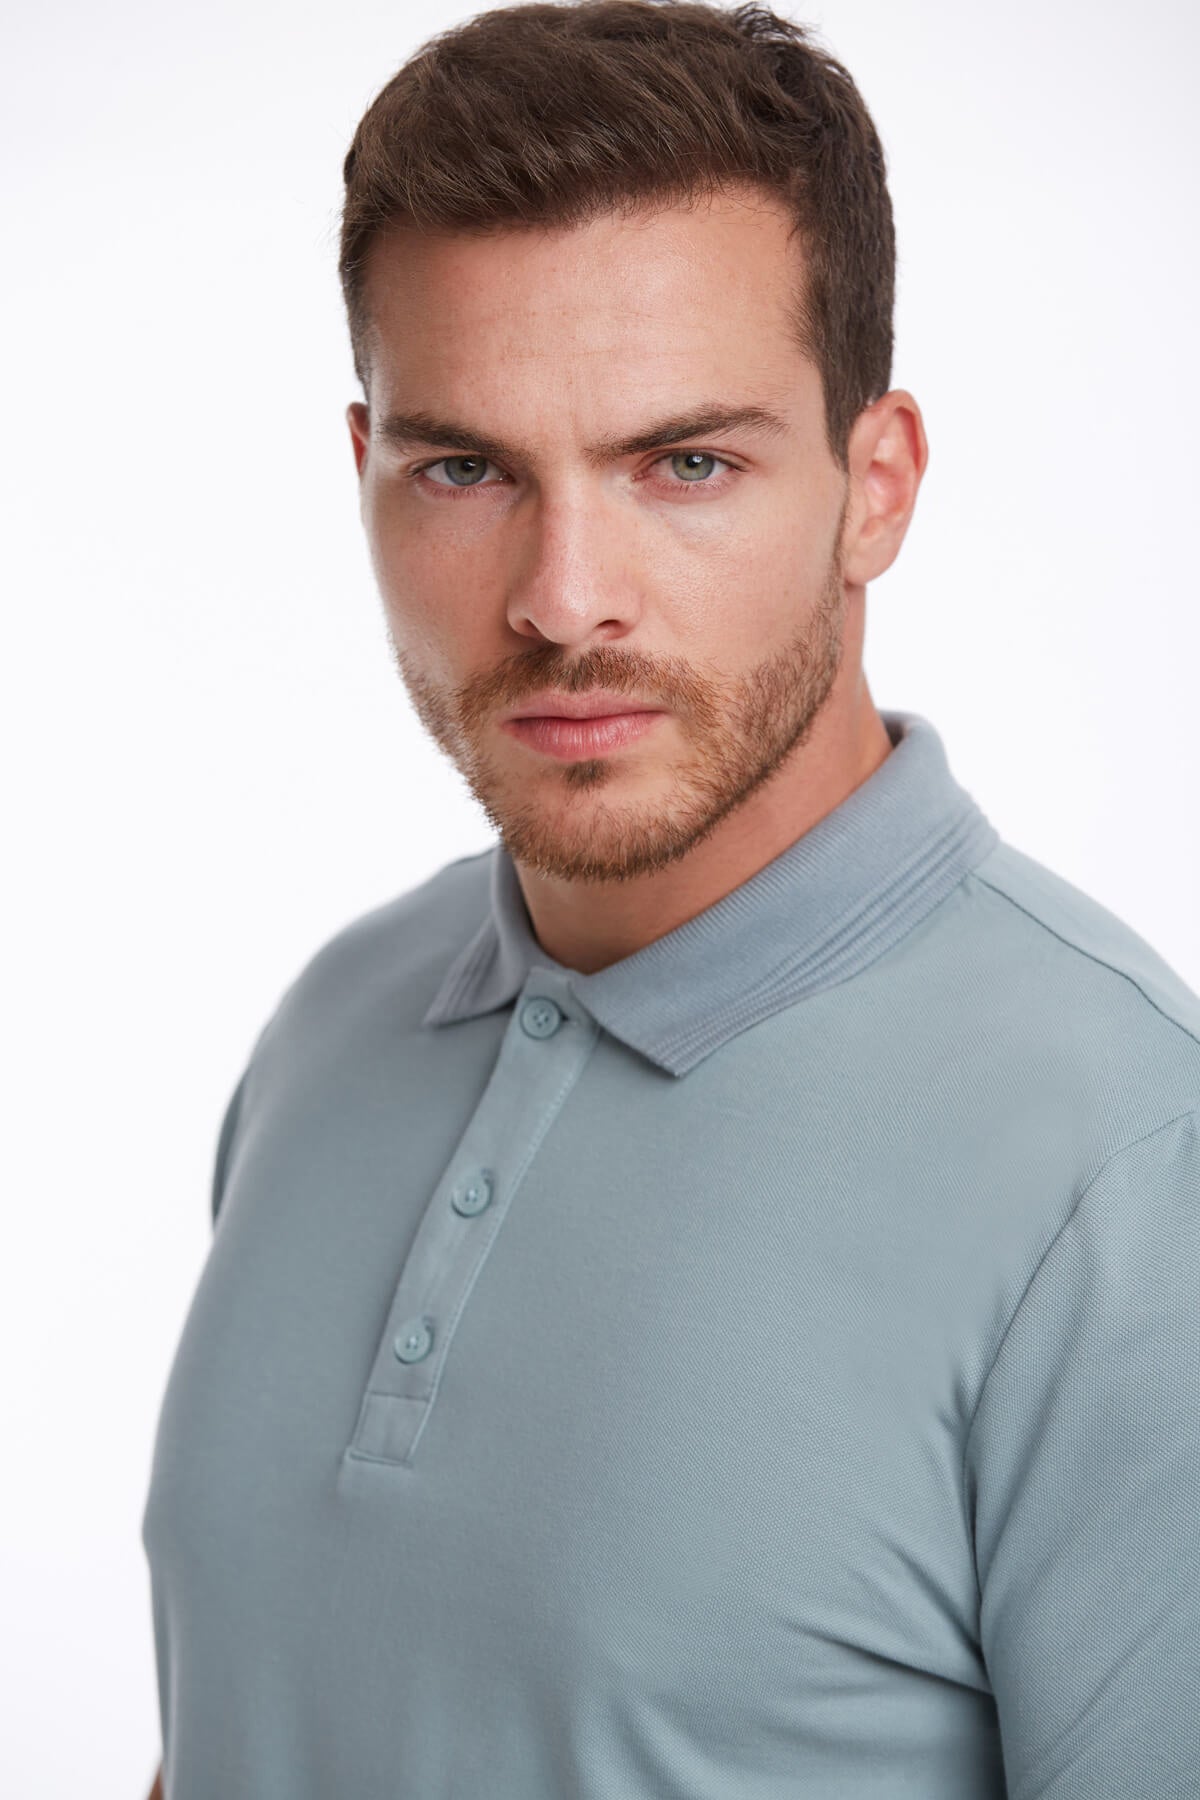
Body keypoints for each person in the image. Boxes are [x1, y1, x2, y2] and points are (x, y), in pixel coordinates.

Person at [139, 3, 1200, 1796]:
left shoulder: (1127, 1168)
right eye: (465, 468)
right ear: (368, 475)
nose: (564, 598)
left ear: (876, 488)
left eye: (684, 463)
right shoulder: (333, 1029)